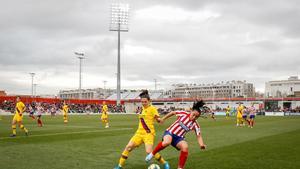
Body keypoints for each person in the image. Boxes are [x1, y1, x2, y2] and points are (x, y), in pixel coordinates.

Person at [114, 90, 169, 169]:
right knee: (128, 147)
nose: (143, 103)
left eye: (145, 102)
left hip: (148, 133)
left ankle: (165, 163)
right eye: (142, 102)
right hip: (139, 133)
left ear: (149, 101)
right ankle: (119, 166)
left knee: (149, 152)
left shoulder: (152, 109)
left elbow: (157, 119)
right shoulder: (141, 108)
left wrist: (160, 120)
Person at [145, 100, 207, 169]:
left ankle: (180, 168)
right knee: (167, 142)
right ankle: (152, 154)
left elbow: (199, 136)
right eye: (193, 115)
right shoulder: (184, 113)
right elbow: (172, 113)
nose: (194, 117)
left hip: (179, 138)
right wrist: (163, 119)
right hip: (170, 132)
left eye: (196, 117)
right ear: (191, 111)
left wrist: (201, 144)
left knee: (185, 147)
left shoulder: (195, 125)